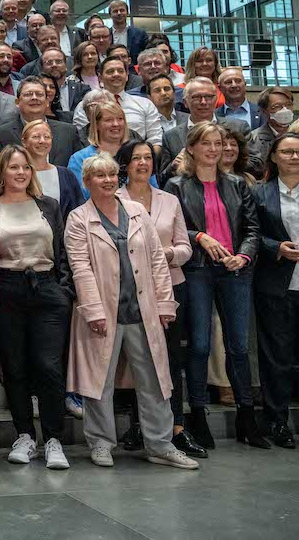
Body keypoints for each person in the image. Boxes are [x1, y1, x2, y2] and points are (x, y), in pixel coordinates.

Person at [66, 153, 199, 469]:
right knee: (100, 381)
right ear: (87, 182)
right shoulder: (78, 218)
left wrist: (166, 303)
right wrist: (93, 310)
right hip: (103, 314)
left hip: (143, 311)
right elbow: (80, 267)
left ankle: (160, 444)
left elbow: (156, 260)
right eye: (99, 176)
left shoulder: (137, 211)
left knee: (155, 379)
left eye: (112, 174)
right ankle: (100, 443)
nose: (108, 180)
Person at [164, 122, 265, 450]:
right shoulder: (176, 185)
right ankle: (198, 415)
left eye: (218, 143)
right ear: (191, 148)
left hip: (235, 270)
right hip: (197, 271)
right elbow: (174, 231)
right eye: (205, 143)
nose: (213, 149)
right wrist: (200, 237)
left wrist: (245, 256)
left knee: (238, 346)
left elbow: (252, 229)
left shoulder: (238, 183)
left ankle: (246, 416)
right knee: (200, 345)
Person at [114, 139, 207, 456]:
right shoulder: (114, 200)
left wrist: (162, 253)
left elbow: (185, 246)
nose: (143, 163)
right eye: (136, 158)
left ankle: (177, 428)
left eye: (148, 158)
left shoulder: (169, 200)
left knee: (170, 358)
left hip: (170, 286)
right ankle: (139, 426)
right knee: (137, 359)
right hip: (131, 289)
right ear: (124, 165)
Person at [0, 145, 71, 470]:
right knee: (15, 367)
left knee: (48, 366)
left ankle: (53, 438)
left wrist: (64, 290)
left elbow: (62, 250)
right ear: (2, 172)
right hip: (6, 291)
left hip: (47, 290)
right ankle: (24, 434)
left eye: (25, 168)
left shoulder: (48, 206)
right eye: (13, 168)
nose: (20, 173)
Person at [251, 132, 299, 448]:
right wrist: (276, 246)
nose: (294, 157)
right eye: (287, 152)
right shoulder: (260, 193)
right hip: (278, 285)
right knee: (277, 356)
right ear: (274, 156)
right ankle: (277, 421)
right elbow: (251, 233)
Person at [21, 119, 84, 215]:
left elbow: (78, 209)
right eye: (36, 137)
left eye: (47, 137)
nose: (42, 141)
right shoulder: (18, 175)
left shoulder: (66, 175)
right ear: (24, 142)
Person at [69, 100, 128, 198]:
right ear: (96, 125)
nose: (116, 124)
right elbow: (79, 196)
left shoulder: (136, 154)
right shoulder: (79, 159)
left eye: (120, 119)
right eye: (109, 120)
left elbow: (150, 189)